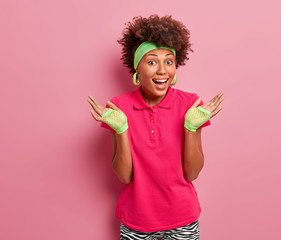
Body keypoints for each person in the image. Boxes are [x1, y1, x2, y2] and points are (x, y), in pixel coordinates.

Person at [88, 14, 224, 240]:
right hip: (136, 220)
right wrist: (121, 130)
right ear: (136, 69)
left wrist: (190, 128)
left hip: (183, 217)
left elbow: (193, 172)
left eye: (169, 61)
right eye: (152, 62)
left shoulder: (191, 105)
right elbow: (124, 176)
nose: (162, 70)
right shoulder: (118, 108)